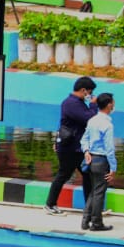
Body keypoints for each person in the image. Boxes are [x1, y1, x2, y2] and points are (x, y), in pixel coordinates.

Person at [44, 76, 98, 214]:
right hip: (69, 148)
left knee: (87, 174)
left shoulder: (76, 103)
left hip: (77, 147)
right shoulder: (71, 103)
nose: (91, 95)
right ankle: (50, 205)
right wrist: (93, 105)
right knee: (64, 174)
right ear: (83, 90)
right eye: (90, 92)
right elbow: (89, 119)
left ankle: (90, 207)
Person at [80, 92, 117, 231]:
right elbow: (109, 149)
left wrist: (86, 151)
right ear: (109, 105)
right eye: (113, 103)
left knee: (94, 191)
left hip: (91, 160)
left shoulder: (92, 120)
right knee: (99, 192)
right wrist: (113, 168)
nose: (114, 105)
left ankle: (85, 220)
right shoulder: (107, 125)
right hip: (102, 161)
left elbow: (84, 139)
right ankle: (96, 223)